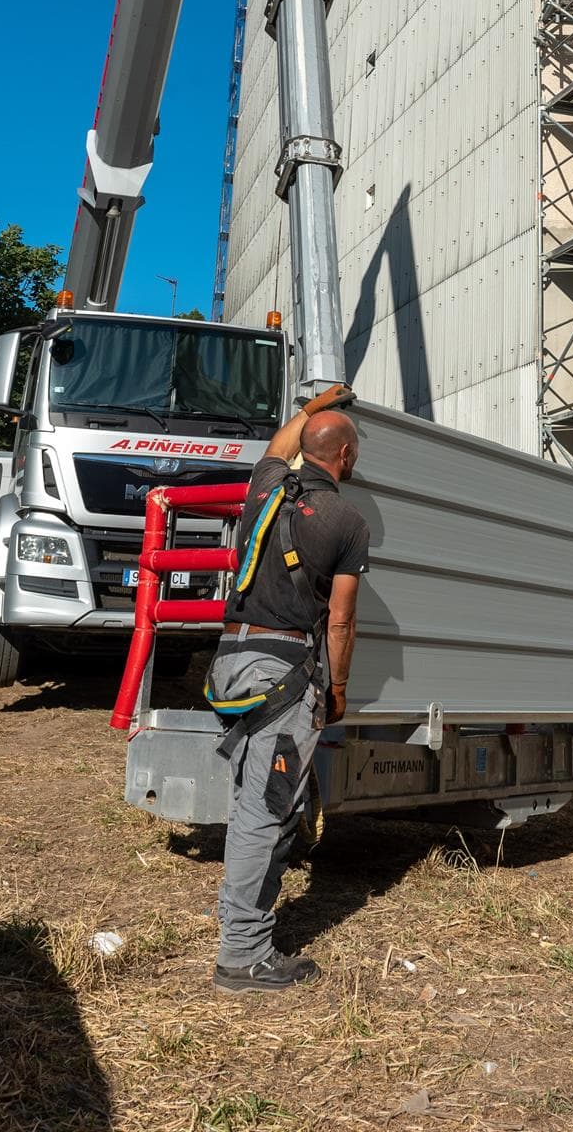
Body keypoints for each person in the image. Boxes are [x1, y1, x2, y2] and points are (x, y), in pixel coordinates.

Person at [206, 382, 369, 992]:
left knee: (251, 796)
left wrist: (309, 409)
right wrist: (339, 688)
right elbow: (341, 619)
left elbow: (280, 442)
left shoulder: (267, 489)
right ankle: (242, 955)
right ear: (345, 457)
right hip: (285, 672)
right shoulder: (346, 521)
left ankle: (239, 917)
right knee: (268, 810)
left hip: (233, 661)